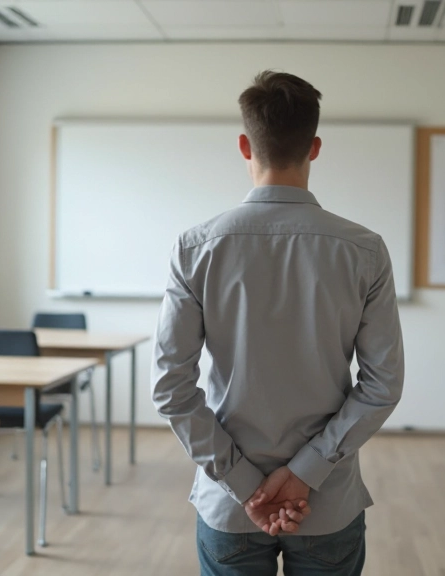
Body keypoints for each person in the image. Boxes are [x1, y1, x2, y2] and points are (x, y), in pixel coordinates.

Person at [151, 70, 405, 576]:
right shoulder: (364, 250)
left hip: (228, 504)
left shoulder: (196, 248)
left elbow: (171, 389)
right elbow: (382, 386)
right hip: (326, 500)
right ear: (314, 147)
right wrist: (305, 472)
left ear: (245, 145)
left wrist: (245, 482)